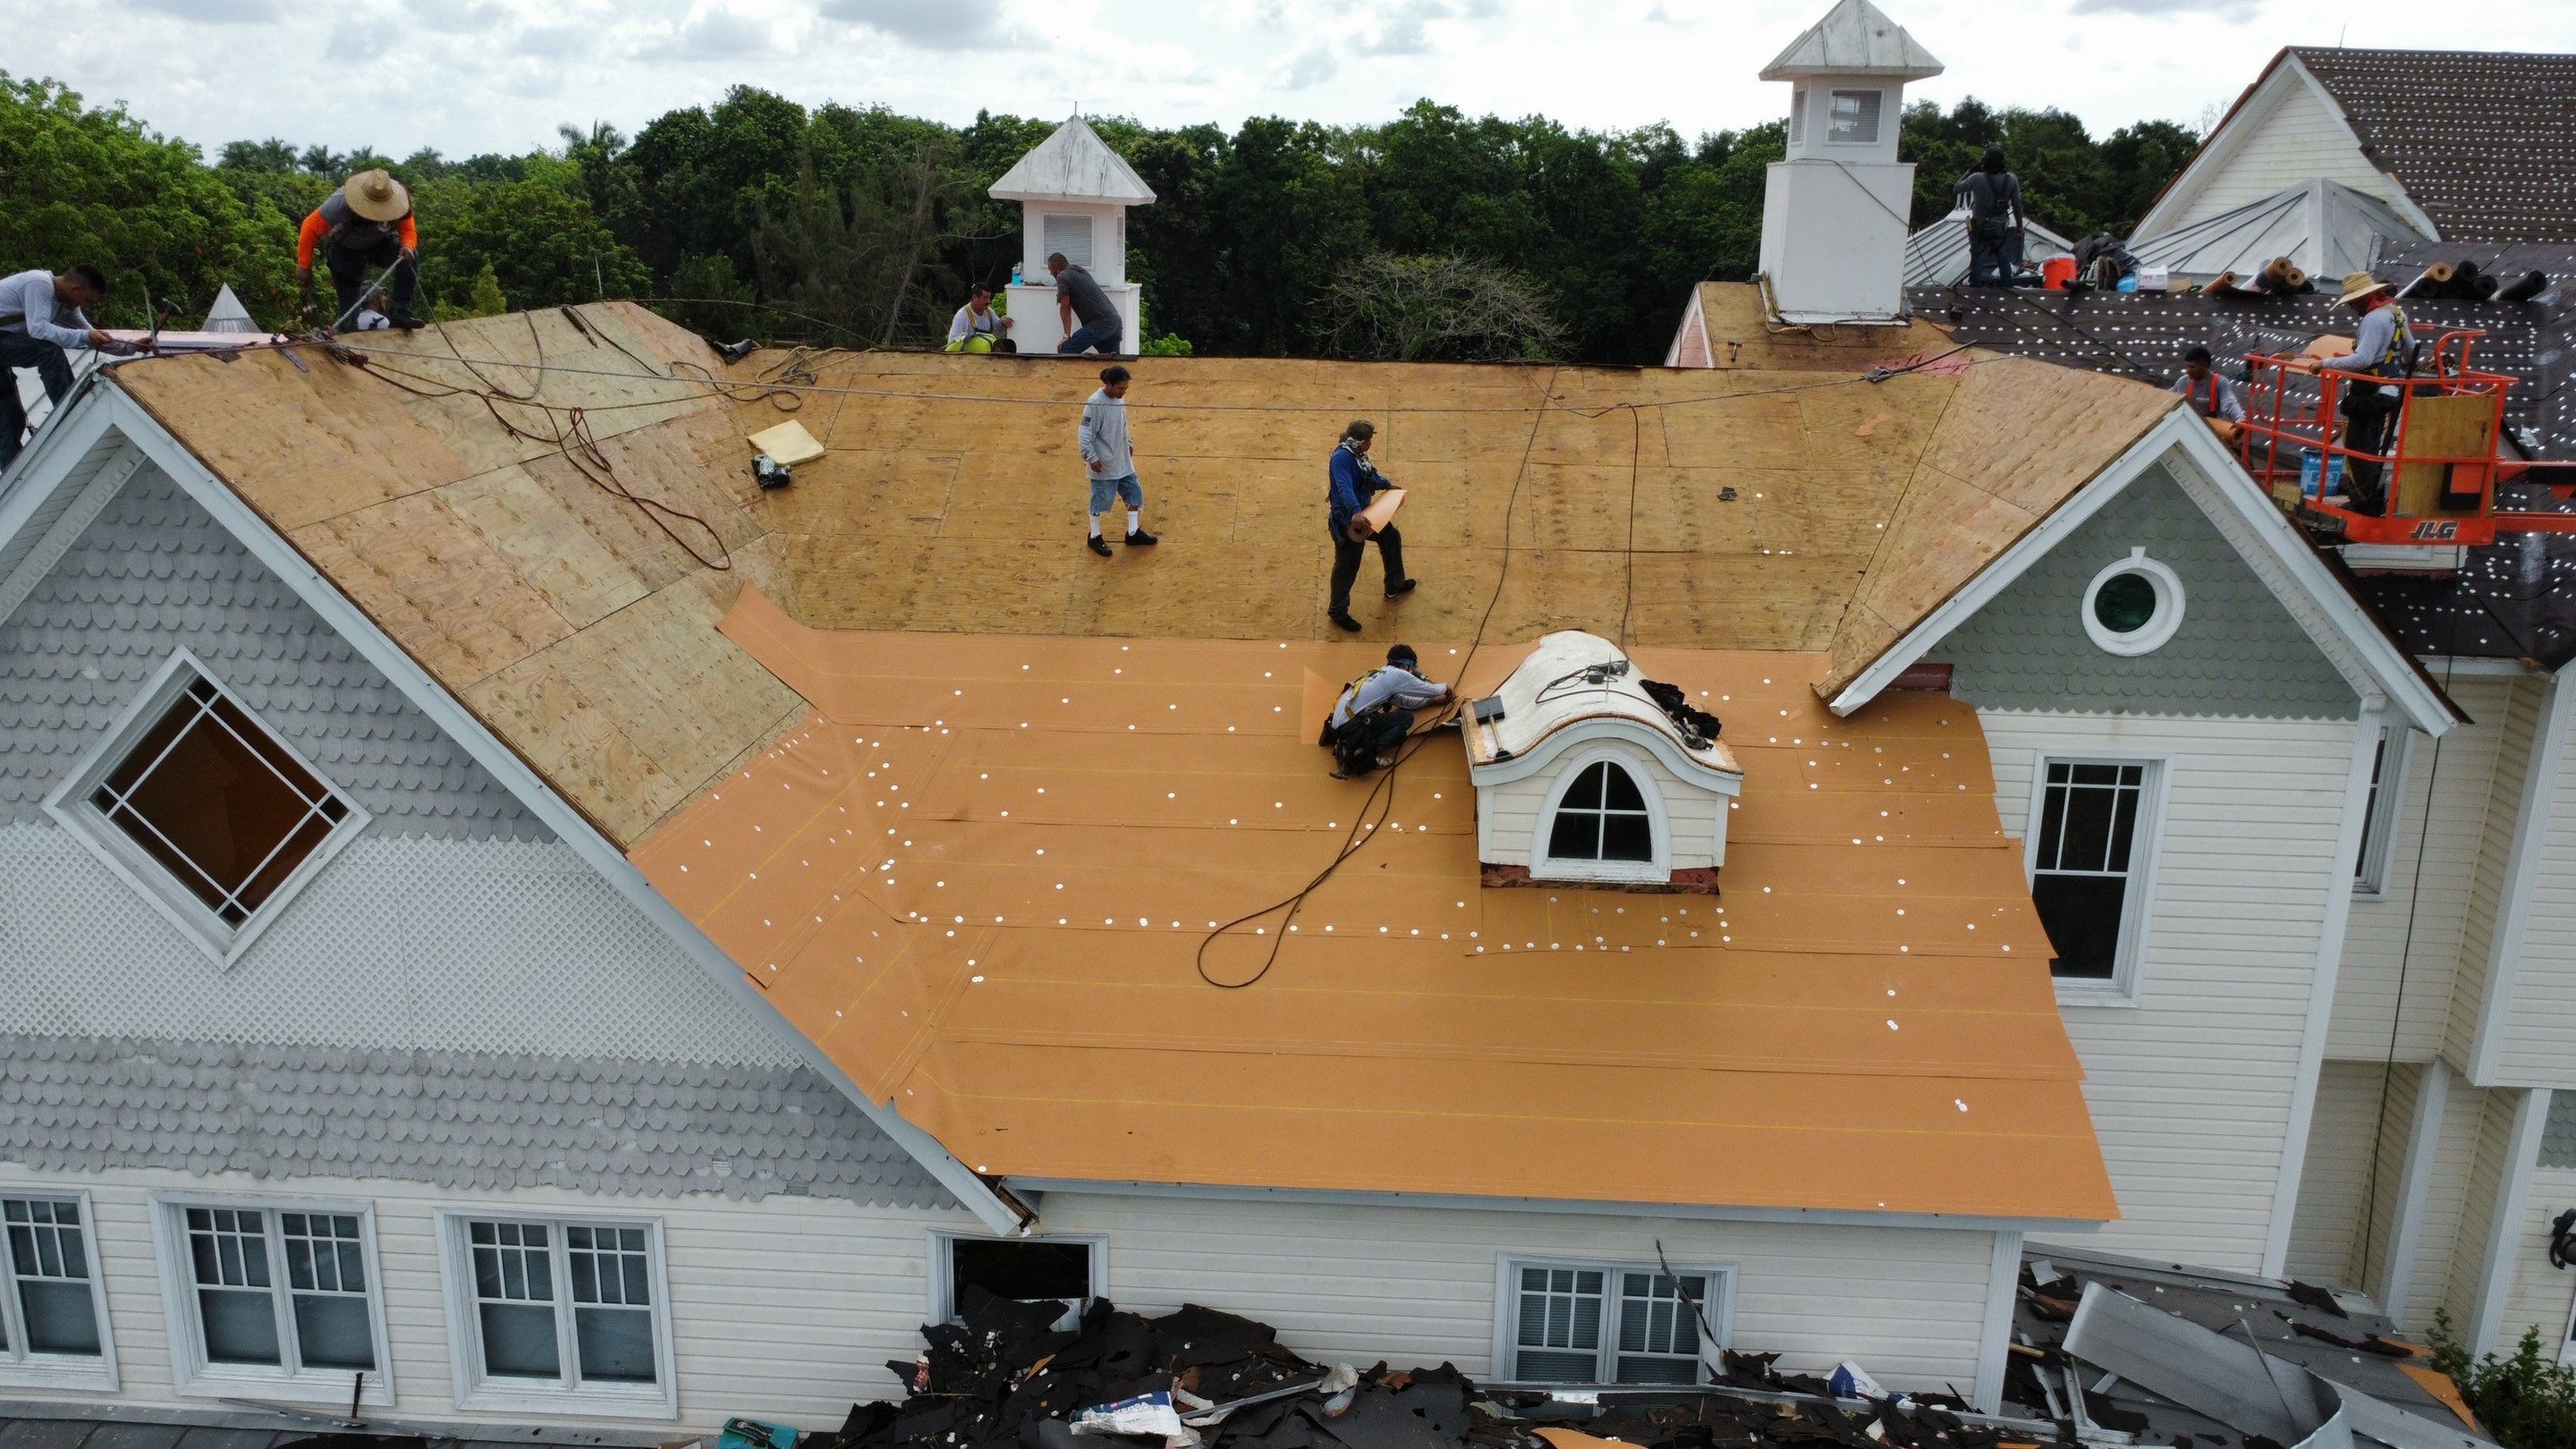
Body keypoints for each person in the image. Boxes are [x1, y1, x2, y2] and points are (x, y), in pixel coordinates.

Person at [2301, 271, 2414, 514]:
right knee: (2371, 444)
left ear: (2365, 297)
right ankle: (2369, 498)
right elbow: (2410, 351)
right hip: (2391, 386)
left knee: (2358, 447)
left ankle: (2364, 503)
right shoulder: (2397, 313)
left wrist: (2325, 364)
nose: (2352, 306)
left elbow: (2362, 359)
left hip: (2370, 388)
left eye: (2353, 301)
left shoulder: (2373, 319)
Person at [0, 265, 115, 471]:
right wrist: (85, 337)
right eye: (87, 300)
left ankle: (14, 480)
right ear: (75, 289)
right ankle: (70, 410)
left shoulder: (66, 304)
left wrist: (133, 346)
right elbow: (38, 329)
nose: (86, 305)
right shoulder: (39, 284)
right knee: (48, 351)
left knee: (11, 420)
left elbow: (91, 336)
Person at [298, 168, 421, 330]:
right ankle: (348, 330)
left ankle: (400, 312)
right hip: (346, 249)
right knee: (349, 312)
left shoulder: (400, 202)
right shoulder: (340, 203)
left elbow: (408, 230)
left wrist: (407, 245)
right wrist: (304, 266)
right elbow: (310, 227)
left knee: (410, 257)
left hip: (379, 243)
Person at [1326, 419, 1413, 633]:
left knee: (1391, 538)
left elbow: (1370, 475)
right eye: (1368, 440)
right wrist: (1355, 511)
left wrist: (1386, 484)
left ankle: (1394, 584)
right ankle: (1337, 611)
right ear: (1358, 441)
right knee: (1347, 566)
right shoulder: (1341, 458)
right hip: (1349, 521)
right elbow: (1344, 487)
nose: (1370, 444)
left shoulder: (1358, 455)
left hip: (1367, 515)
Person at [1318, 644, 1453, 778]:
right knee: (1406, 718)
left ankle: (1350, 743)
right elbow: (1431, 690)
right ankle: (1364, 754)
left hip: (1341, 724)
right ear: (1406, 666)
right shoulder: (1397, 675)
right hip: (1350, 726)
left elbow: (1404, 702)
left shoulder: (1377, 673)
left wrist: (1432, 702)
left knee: (1400, 736)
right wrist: (1445, 687)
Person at [1079, 363, 1157, 555]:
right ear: (1110, 385)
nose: (1124, 391)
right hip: (1104, 462)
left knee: (1134, 493)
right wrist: (1091, 456)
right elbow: (1085, 432)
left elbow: (1123, 424)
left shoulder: (1120, 400)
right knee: (1100, 500)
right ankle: (1095, 536)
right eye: (1121, 388)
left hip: (1122, 459)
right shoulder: (1095, 403)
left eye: (1126, 388)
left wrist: (1129, 441)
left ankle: (1132, 533)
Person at [1958, 147, 2025, 288]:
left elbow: (1957, 188)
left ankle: (1974, 288)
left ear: (1985, 163)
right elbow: (2018, 205)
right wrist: (2019, 226)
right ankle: (2008, 287)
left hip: (1980, 226)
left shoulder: (1976, 178)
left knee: (1979, 255)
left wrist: (1970, 171)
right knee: (2002, 254)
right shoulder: (2011, 179)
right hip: (1999, 227)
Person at [1048, 252, 1123, 355]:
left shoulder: (1062, 276)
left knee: (1065, 350)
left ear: (1056, 268)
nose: (1050, 273)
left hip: (1101, 322)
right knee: (1111, 364)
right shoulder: (1080, 271)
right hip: (1115, 321)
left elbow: (1065, 307)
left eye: (1050, 270)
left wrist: (1066, 336)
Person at [2170, 344, 2246, 424]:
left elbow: (2230, 403)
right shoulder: (2183, 381)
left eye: (2192, 367)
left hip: (2212, 429)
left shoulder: (2220, 382)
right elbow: (2169, 396)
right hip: (2189, 425)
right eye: (2187, 367)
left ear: (2205, 365)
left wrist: (2239, 418)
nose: (2188, 371)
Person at [946, 284, 1014, 353]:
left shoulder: (990, 312)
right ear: (975, 297)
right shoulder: (961, 316)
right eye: (985, 298)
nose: (988, 301)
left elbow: (997, 331)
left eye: (989, 297)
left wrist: (1003, 322)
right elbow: (952, 343)